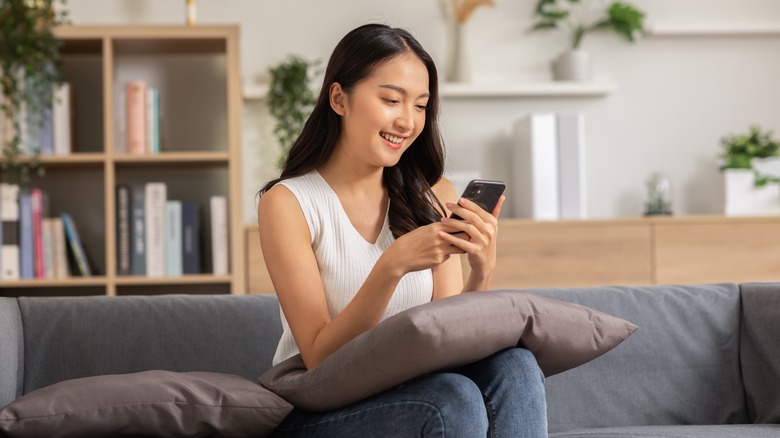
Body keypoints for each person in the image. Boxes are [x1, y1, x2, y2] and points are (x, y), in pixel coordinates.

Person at [257, 23, 548, 437]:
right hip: (320, 411)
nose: (408, 121)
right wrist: (391, 266)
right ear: (340, 99)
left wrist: (482, 271)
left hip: (416, 392)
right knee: (452, 398)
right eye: (391, 100)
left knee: (515, 365)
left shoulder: (431, 195)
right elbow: (320, 358)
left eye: (420, 105)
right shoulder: (288, 204)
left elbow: (448, 340)